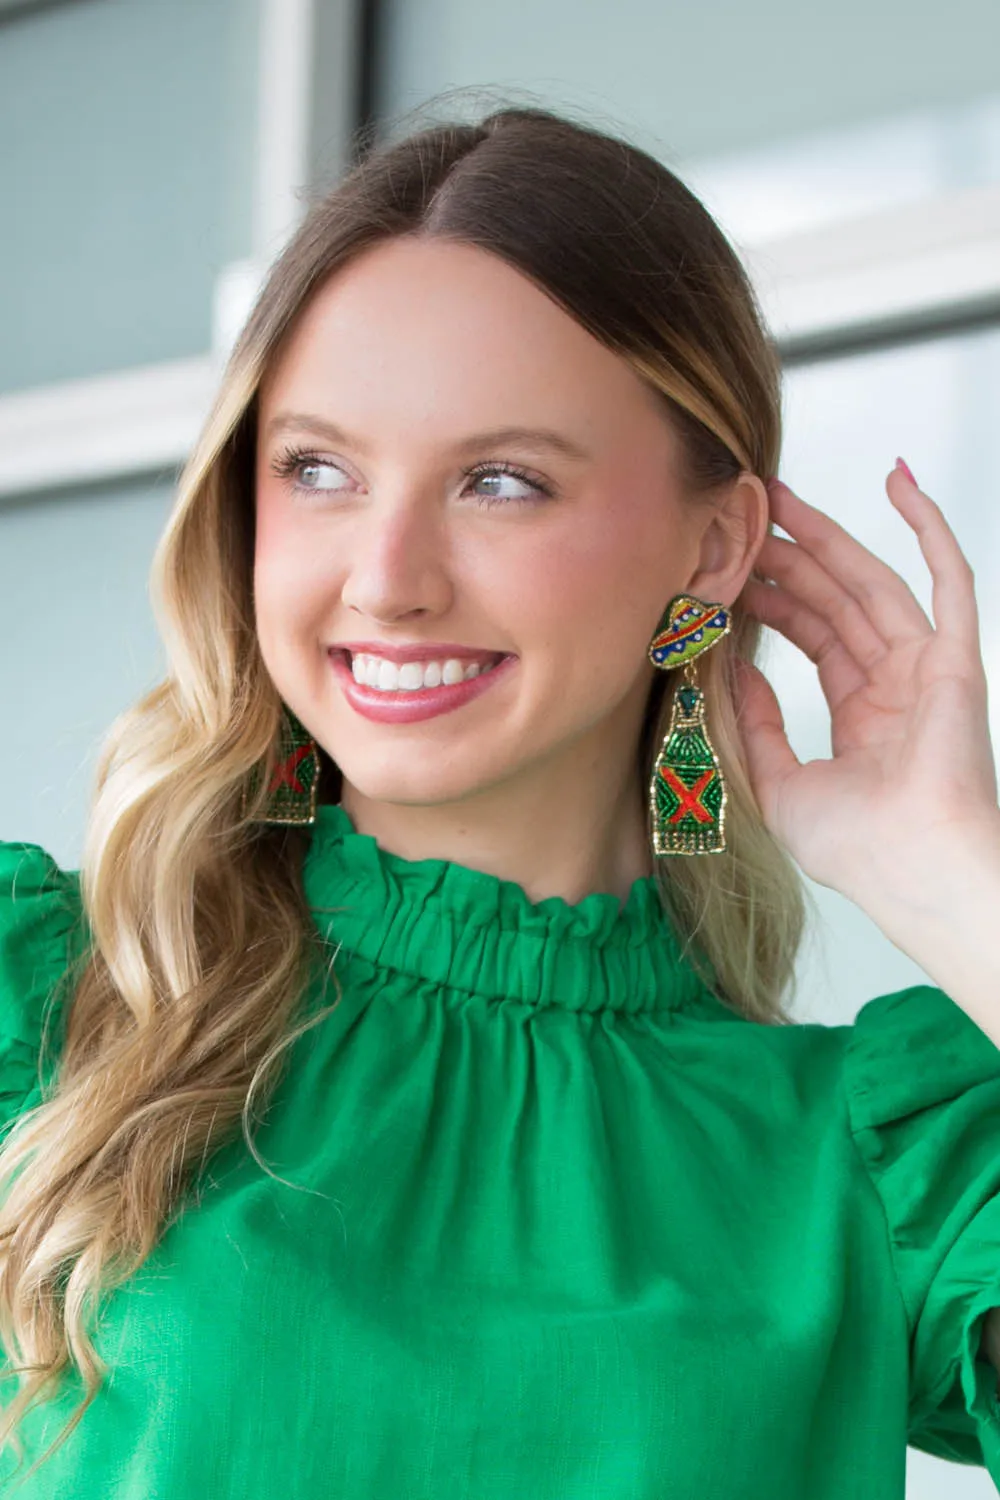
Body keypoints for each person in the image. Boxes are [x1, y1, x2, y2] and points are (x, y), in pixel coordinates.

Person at [0, 103, 999, 1499]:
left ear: (712, 550)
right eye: (318, 470)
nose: (387, 575)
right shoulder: (48, 1013)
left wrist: (954, 878)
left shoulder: (887, 1175)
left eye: (501, 480)